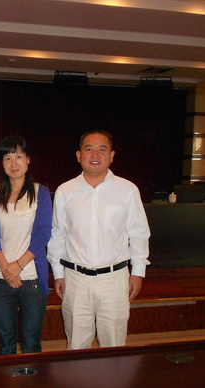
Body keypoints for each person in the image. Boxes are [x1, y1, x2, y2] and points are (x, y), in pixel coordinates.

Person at [47, 130, 150, 350]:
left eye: (102, 149)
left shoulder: (127, 190)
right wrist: (58, 273)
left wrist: (138, 272)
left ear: (111, 155)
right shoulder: (65, 191)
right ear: (78, 155)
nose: (95, 154)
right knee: (76, 345)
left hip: (114, 280)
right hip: (75, 280)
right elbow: (58, 235)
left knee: (114, 345)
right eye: (89, 149)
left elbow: (139, 233)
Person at [0, 135, 52, 355]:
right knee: (5, 342)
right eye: (7, 158)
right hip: (0, 278)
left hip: (31, 278)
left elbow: (42, 234)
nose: (13, 163)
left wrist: (18, 266)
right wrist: (7, 268)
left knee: (31, 342)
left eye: (18, 157)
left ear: (28, 159)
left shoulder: (41, 192)